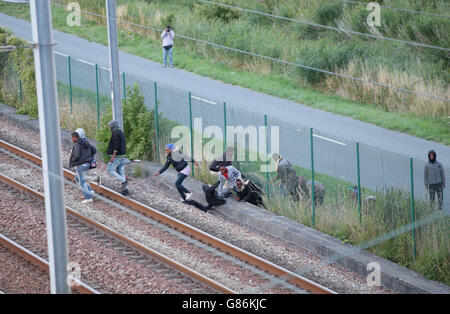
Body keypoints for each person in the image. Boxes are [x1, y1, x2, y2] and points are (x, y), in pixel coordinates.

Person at [69, 131, 97, 203]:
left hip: (81, 165)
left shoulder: (77, 145)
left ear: (75, 138)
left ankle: (88, 198)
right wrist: (88, 157)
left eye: (72, 137)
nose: (71, 139)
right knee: (78, 178)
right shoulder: (85, 142)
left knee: (82, 182)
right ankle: (90, 191)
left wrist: (72, 160)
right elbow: (94, 150)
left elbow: (77, 155)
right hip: (87, 164)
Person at [106, 120, 129, 195]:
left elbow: (117, 145)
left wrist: (113, 156)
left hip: (117, 156)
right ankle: (125, 189)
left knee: (109, 170)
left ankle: (123, 181)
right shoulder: (120, 132)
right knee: (120, 171)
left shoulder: (115, 133)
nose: (109, 128)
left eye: (110, 126)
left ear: (113, 126)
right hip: (122, 155)